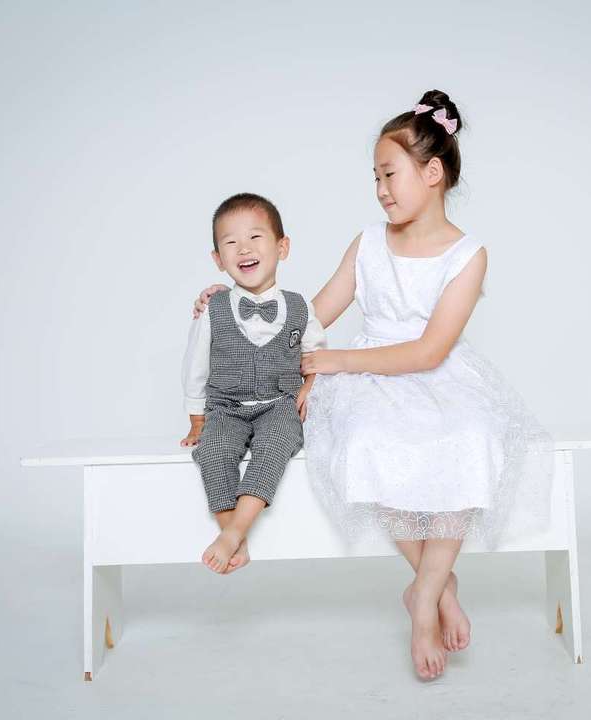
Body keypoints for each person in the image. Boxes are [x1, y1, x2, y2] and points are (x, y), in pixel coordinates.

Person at [191, 91, 553, 680]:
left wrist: (335, 363)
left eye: (390, 174)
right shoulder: (368, 243)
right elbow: (311, 315)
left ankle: (423, 598)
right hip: (367, 379)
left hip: (435, 373)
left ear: (432, 173)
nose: (381, 189)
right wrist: (235, 301)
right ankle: (438, 584)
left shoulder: (468, 255)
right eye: (375, 178)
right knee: (365, 443)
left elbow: (430, 350)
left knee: (473, 437)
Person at [181, 192, 326, 575]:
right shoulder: (213, 309)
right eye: (231, 242)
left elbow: (317, 355)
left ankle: (234, 532)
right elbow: (195, 366)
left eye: (255, 237)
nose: (244, 248)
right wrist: (197, 421)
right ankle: (233, 535)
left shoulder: (300, 306)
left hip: (279, 404)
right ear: (218, 259)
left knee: (275, 444)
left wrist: (309, 386)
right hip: (225, 407)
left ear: (282, 247)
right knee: (213, 450)